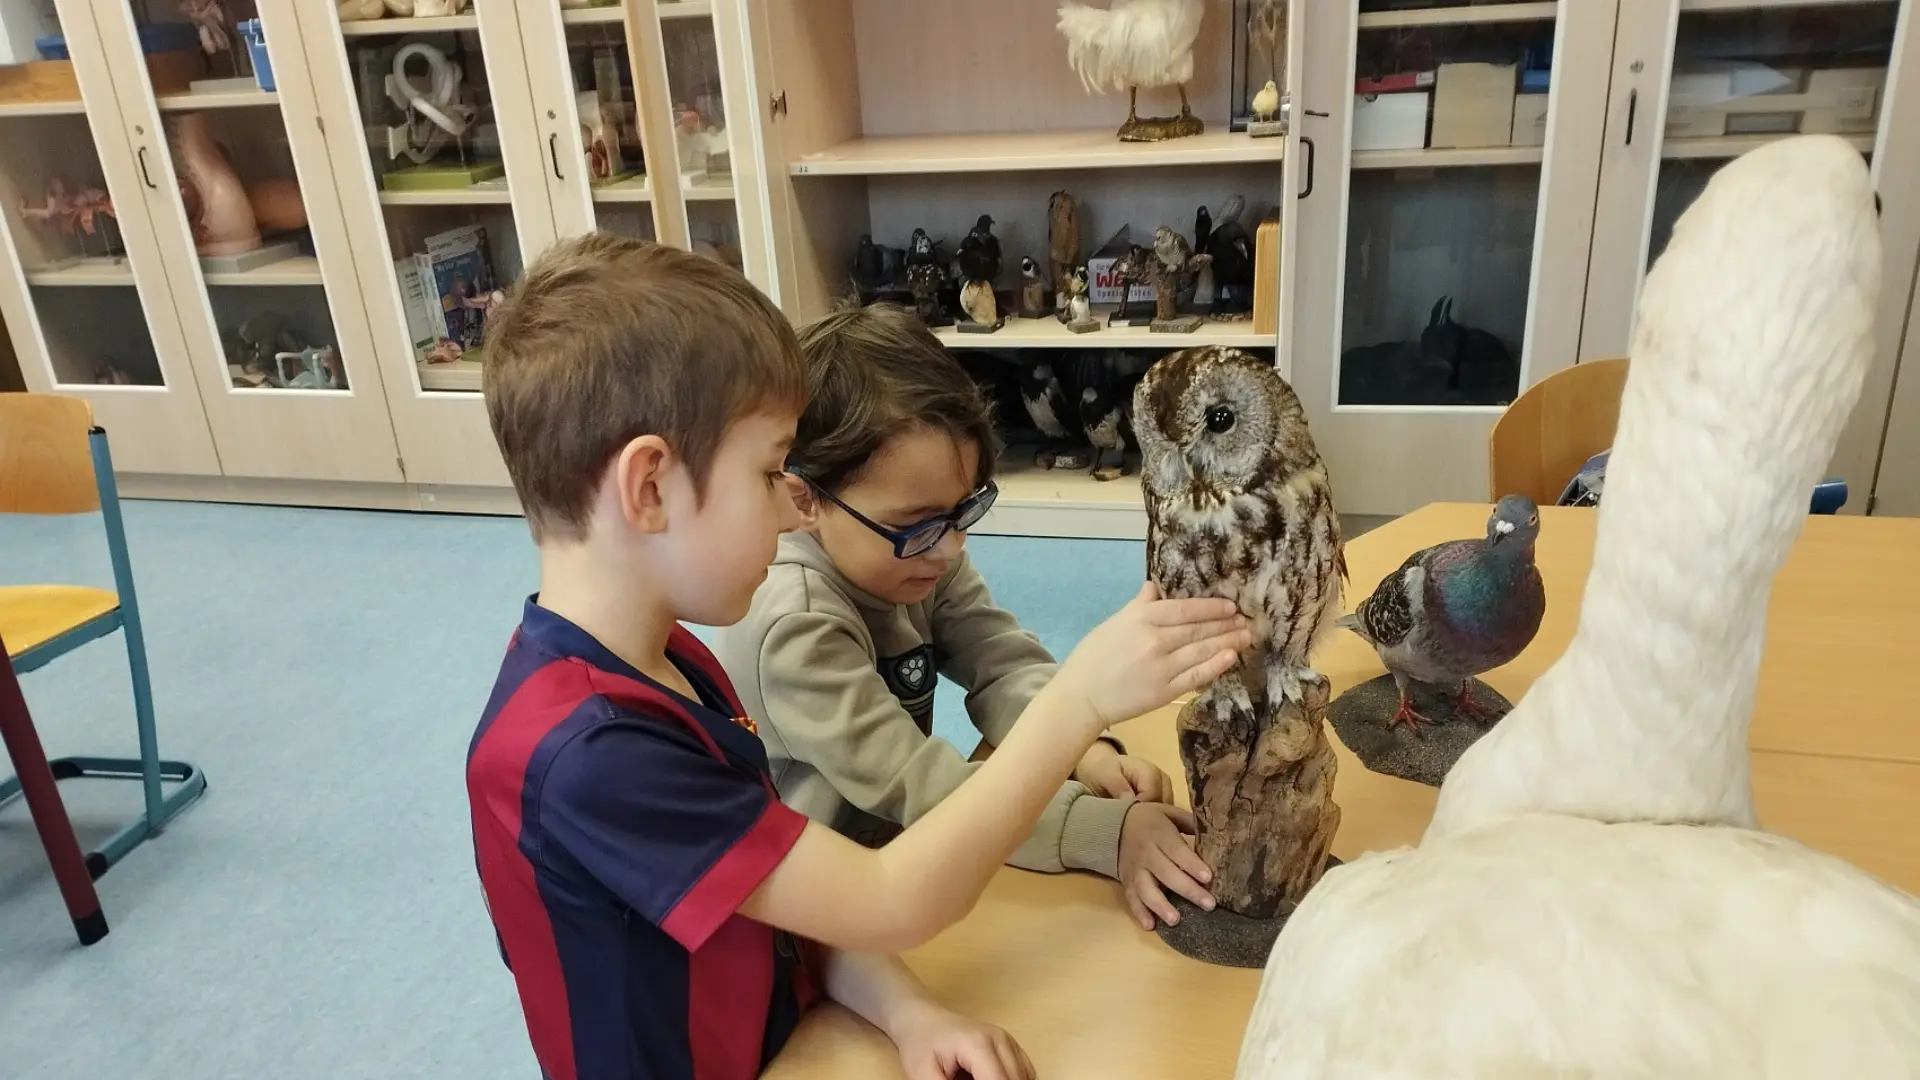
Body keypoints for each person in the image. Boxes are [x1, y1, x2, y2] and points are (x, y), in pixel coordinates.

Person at [465, 235, 1251, 1080]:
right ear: (650, 486)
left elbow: (774, 894)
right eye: (770, 475)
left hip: (800, 1022)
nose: (791, 513)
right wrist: (1079, 706)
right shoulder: (591, 758)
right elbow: (892, 901)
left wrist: (908, 1013)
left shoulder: (665, 658)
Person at [714, 304, 1217, 931]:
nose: (951, 547)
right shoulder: (796, 627)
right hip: (832, 920)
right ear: (805, 499)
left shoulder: (919, 551)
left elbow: (1002, 663)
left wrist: (1086, 751)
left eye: (963, 510)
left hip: (914, 857)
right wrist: (1103, 832)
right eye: (917, 523)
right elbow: (923, 789)